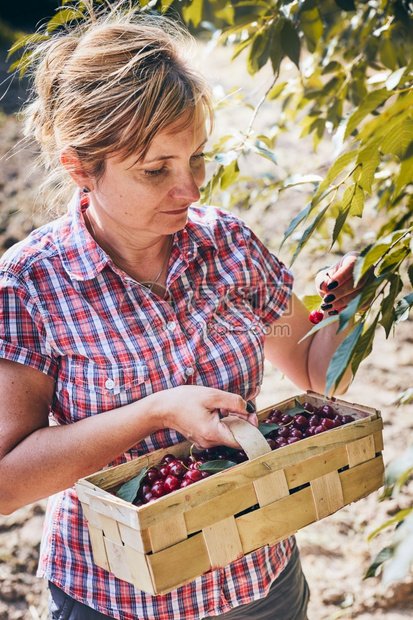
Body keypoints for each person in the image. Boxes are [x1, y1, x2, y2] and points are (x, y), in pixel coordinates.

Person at [0, 6, 368, 620]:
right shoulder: (31, 285)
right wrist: (156, 412)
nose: (191, 189)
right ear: (80, 168)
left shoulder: (229, 249)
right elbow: (7, 483)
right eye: (157, 171)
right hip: (118, 598)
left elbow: (313, 370)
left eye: (197, 158)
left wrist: (344, 307)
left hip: (260, 578)